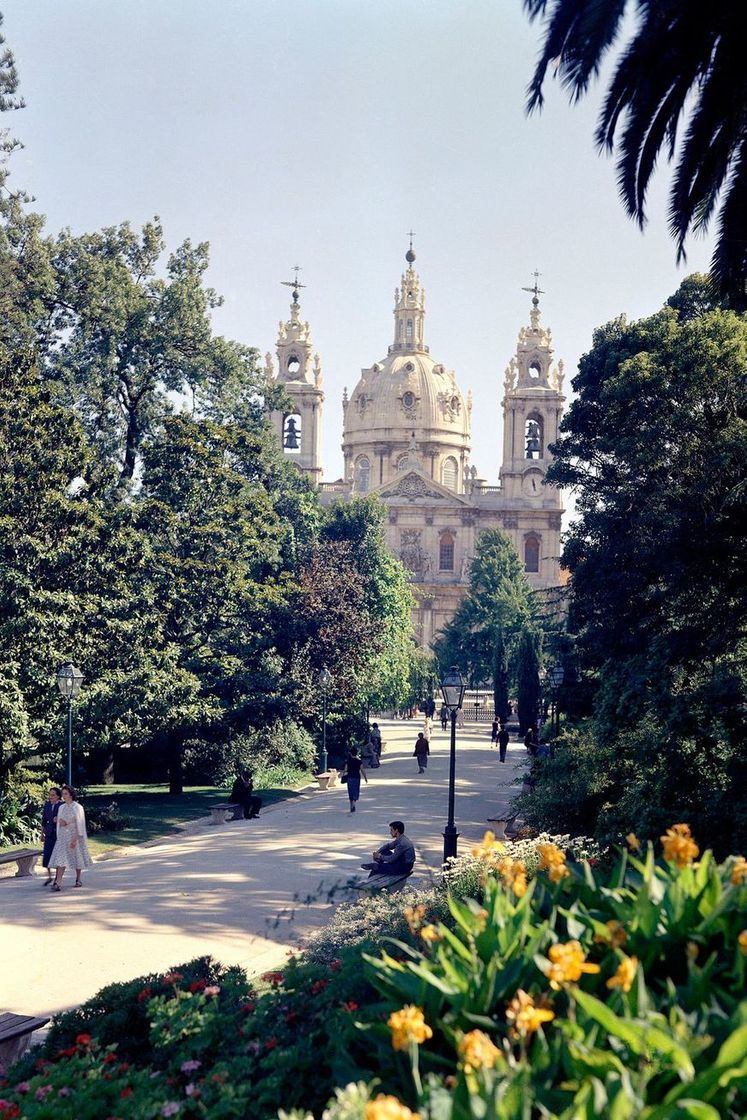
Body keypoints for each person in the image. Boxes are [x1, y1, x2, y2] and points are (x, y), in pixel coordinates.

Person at [49, 785, 92, 891]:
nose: (63, 796)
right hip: (63, 836)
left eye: (65, 794)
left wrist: (75, 839)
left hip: (74, 835)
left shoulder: (77, 807)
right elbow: (60, 821)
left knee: (77, 858)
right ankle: (58, 882)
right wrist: (59, 821)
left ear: (71, 794)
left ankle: (78, 879)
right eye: (62, 794)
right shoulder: (61, 807)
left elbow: (80, 824)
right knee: (61, 859)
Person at [40, 786, 61, 886]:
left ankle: (57, 879)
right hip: (48, 833)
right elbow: (43, 820)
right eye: (50, 795)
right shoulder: (47, 805)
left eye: (53, 795)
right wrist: (42, 834)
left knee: (57, 857)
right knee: (47, 856)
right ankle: (49, 876)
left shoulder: (61, 806)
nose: (51, 797)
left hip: (58, 834)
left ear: (58, 796)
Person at [341, 747, 367, 812]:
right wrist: (365, 777)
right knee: (356, 790)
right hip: (356, 777)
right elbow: (362, 770)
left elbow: (345, 769)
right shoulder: (359, 761)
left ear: (351, 753)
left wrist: (343, 775)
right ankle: (354, 803)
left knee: (350, 791)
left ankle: (351, 805)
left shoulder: (348, 761)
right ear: (356, 753)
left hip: (349, 777)